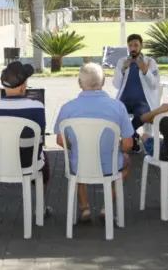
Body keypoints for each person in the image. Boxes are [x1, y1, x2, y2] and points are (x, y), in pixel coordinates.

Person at [55, 63, 134, 223]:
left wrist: (74, 147)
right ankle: (106, 206)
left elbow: (60, 141)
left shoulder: (67, 108)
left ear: (79, 83)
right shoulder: (118, 107)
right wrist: (117, 149)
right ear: (103, 81)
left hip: (80, 166)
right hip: (110, 167)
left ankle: (84, 207)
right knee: (125, 164)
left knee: (78, 160)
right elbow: (128, 144)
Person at [0, 61, 52, 216]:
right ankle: (40, 206)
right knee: (43, 161)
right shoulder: (36, 106)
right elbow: (40, 135)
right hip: (27, 162)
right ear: (24, 84)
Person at [113, 34, 160, 153]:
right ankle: (133, 136)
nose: (133, 48)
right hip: (124, 100)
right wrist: (123, 69)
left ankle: (128, 136)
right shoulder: (122, 61)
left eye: (136, 45)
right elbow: (116, 84)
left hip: (143, 102)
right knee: (115, 111)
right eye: (130, 45)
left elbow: (154, 85)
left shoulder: (150, 61)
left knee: (141, 114)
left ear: (141, 46)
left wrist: (145, 70)